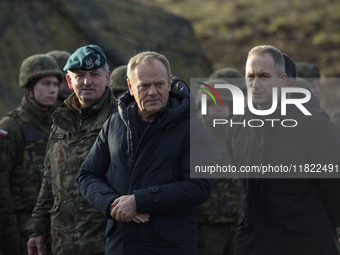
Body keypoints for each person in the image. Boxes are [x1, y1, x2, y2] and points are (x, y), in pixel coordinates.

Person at [77, 51, 213, 255]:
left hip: (170, 247)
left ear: (169, 82)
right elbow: (87, 175)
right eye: (144, 85)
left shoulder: (192, 128)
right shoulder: (114, 124)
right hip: (120, 245)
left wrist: (139, 201)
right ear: (130, 87)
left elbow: (200, 185)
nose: (152, 92)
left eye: (159, 84)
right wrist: (113, 203)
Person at [226, 45, 340, 255]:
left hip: (303, 243)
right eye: (250, 76)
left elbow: (334, 184)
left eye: (264, 76)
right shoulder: (236, 124)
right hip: (253, 243)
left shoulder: (313, 124)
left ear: (282, 80)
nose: (255, 84)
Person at [25, 45, 118, 255]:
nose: (87, 82)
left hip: (105, 242)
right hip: (62, 242)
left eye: (94, 74)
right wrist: (37, 229)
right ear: (69, 81)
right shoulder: (61, 121)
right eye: (79, 75)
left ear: (107, 78)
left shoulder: (122, 120)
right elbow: (50, 179)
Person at [0, 54, 62, 255]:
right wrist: (9, 233)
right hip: (20, 228)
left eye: (55, 83)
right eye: (45, 83)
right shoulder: (11, 127)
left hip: (53, 228)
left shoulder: (60, 125)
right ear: (30, 87)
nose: (52, 89)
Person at [195, 77, 242, 255]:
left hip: (240, 223)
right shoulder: (194, 134)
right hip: (207, 225)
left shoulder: (242, 133)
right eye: (213, 103)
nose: (220, 107)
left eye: (224, 103)